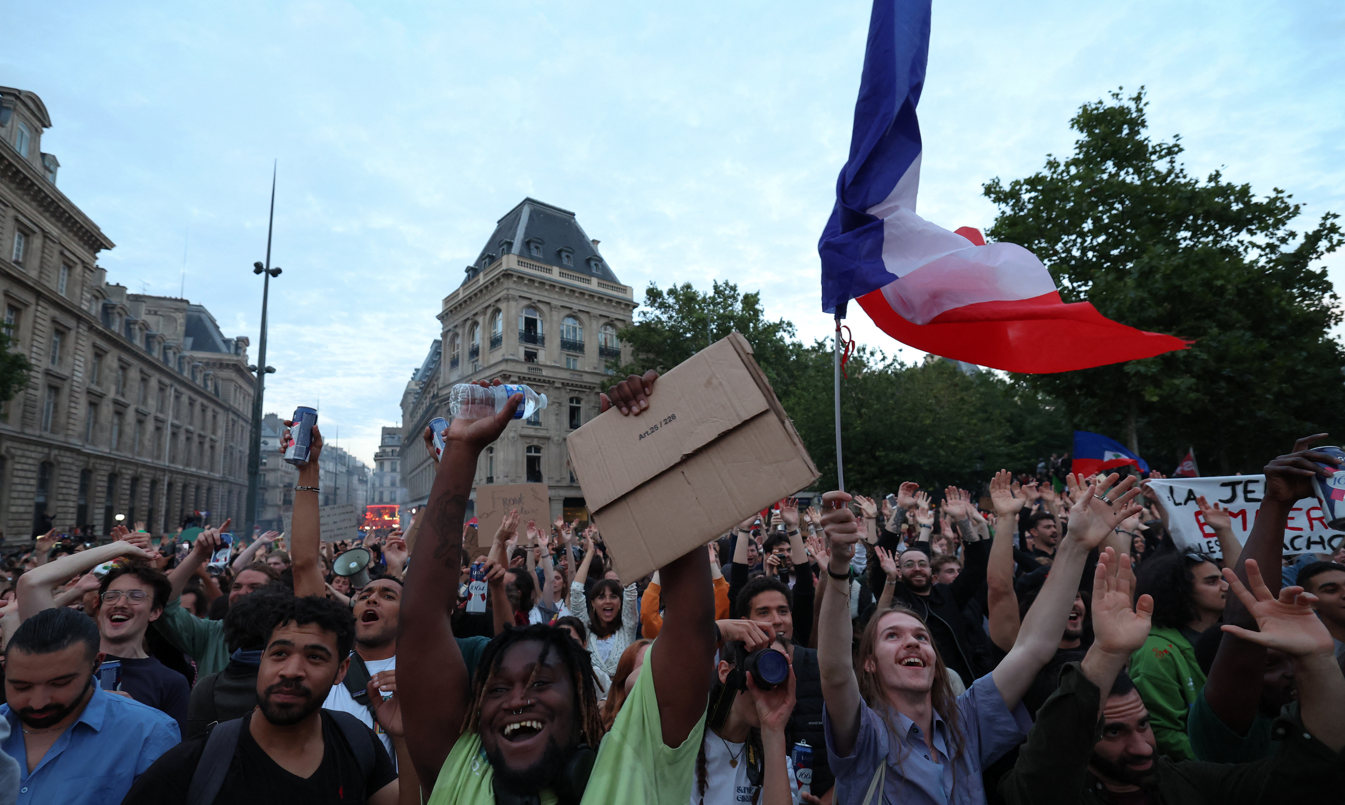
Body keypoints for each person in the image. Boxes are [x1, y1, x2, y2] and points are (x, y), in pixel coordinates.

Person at [399, 371, 718, 804]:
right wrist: (461, 447)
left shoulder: (638, 762)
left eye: (541, 681)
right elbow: (419, 622)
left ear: (584, 697)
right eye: (495, 689)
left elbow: (693, 624)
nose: (516, 700)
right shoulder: (456, 767)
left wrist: (647, 446)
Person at [818, 472, 1143, 805]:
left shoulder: (967, 723)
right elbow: (835, 670)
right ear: (869, 662)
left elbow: (1032, 647)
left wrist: (1075, 544)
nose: (913, 642)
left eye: (922, 636)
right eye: (892, 636)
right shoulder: (865, 735)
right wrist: (840, 566)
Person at [998, 552, 1345, 804]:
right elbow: (1053, 753)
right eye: (1114, 732)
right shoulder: (1047, 793)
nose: (1142, 747)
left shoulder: (1186, 783)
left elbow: (1304, 775)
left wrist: (1318, 661)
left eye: (1144, 725)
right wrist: (1107, 653)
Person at [123, 595, 405, 804]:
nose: (291, 671)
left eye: (315, 657)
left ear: (341, 670)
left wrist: (402, 738)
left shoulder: (357, 742)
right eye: (280, 653)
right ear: (262, 659)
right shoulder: (197, 764)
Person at [1190, 436, 1327, 762]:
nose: (1292, 671)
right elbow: (1250, 619)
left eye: (1293, 657)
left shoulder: (1322, 711)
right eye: (1268, 665)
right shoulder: (1228, 734)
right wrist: (1276, 503)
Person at [3, 608, 179, 805]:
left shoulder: (148, 734)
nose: (37, 702)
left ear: (96, 664)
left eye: (60, 684)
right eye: (21, 687)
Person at [736, 574, 832, 799]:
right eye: (763, 612)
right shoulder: (735, 675)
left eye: (783, 611)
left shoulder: (824, 668)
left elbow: (854, 751)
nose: (776, 620)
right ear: (744, 622)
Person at [1129, 551, 1228, 761]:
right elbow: (1163, 733)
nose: (1226, 587)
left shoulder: (1230, 637)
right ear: (1181, 592)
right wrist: (1225, 766)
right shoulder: (1156, 653)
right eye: (1212, 582)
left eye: (1223, 579)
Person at [154, 521, 282, 676]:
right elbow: (163, 603)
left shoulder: (287, 639)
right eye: (236, 587)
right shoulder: (210, 634)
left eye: (254, 588)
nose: (241, 593)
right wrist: (198, 554)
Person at [693, 636, 803, 805]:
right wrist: (717, 630)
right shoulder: (685, 747)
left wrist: (774, 729)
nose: (768, 685)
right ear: (724, 671)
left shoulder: (776, 762)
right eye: (761, 667)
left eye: (776, 671)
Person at [94, 562, 191, 729]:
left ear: (155, 612)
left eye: (136, 596)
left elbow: (175, 750)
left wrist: (138, 717)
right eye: (111, 596)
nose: (120, 603)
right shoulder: (69, 665)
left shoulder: (171, 683)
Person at [569, 532, 639, 679]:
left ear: (621, 603)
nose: (608, 601)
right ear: (593, 603)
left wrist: (617, 554)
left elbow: (631, 589)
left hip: (623, 700)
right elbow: (575, 590)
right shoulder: (586, 631)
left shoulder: (627, 628)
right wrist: (590, 553)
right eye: (601, 597)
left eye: (613, 596)